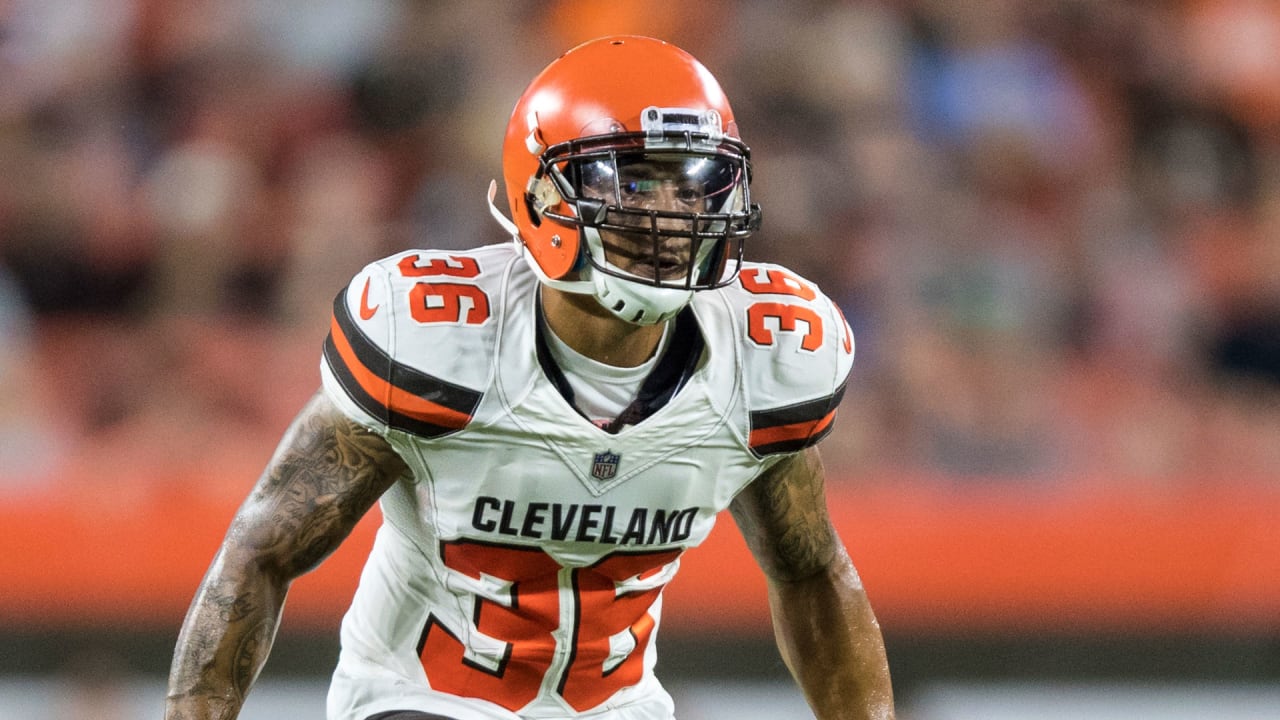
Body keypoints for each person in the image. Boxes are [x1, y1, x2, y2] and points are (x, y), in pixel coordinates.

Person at [165, 35, 894, 720]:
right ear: (543, 195)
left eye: (692, 184)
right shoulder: (437, 342)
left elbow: (812, 571)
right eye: (638, 181)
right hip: (425, 700)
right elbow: (261, 552)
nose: (671, 215)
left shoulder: (763, 357)